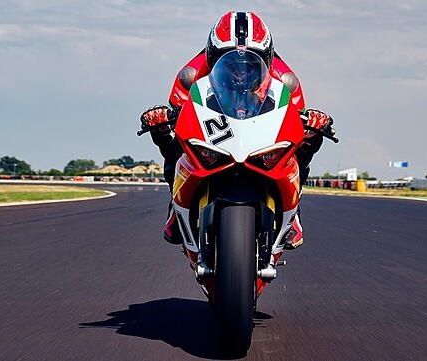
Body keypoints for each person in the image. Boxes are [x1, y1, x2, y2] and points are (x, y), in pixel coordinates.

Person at [140, 11, 334, 249]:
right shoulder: (189, 75)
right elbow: (179, 114)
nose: (241, 72)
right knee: (171, 141)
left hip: (259, 126)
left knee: (306, 141)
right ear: (212, 56)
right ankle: (175, 205)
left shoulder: (285, 79)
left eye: (251, 63)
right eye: (229, 63)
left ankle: (294, 214)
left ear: (268, 57)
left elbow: (295, 120)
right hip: (216, 127)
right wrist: (160, 121)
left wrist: (314, 123)